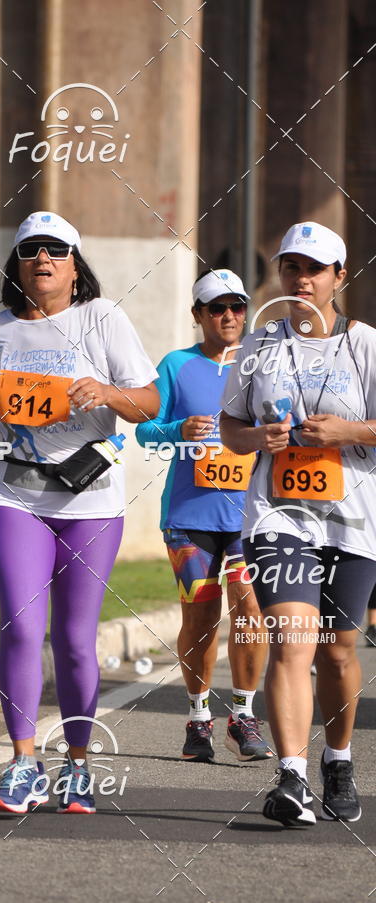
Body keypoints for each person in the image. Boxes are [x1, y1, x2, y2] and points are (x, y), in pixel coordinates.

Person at [0, 211, 159, 814]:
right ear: (15, 264)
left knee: (73, 639)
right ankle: (22, 764)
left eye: (56, 250)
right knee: (19, 623)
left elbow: (148, 400)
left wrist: (109, 393)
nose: (43, 258)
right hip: (13, 494)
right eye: (31, 249)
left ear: (74, 263)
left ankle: (79, 765)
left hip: (90, 502)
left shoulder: (103, 318)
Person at [221, 222, 376, 826]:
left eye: (314, 268)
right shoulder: (258, 345)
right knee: (292, 642)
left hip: (353, 520)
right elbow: (230, 428)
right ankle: (291, 777)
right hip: (277, 517)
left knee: (337, 653)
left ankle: (337, 758)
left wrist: (348, 432)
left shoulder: (365, 345)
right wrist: (258, 437)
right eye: (291, 267)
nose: (301, 278)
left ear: (340, 276)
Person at [135, 269, 272, 764]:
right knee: (200, 615)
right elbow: (144, 433)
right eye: (217, 308)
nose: (230, 315)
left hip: (251, 517)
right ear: (198, 315)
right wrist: (177, 429)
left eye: (237, 305)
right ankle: (197, 718)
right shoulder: (176, 364)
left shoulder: (261, 365)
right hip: (190, 515)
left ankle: (243, 714)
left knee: (251, 611)